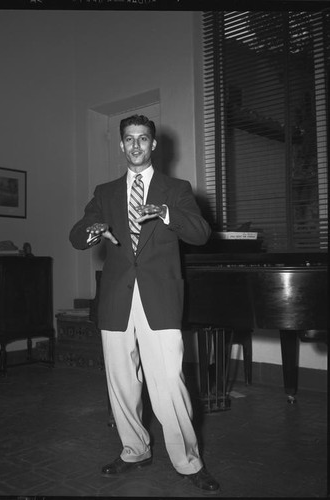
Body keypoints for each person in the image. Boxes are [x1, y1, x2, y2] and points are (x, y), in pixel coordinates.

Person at [69, 114, 220, 494]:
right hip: (117, 297)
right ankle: (134, 450)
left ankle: (188, 462)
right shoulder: (104, 192)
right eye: (129, 139)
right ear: (121, 145)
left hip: (161, 296)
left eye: (143, 139)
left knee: (169, 382)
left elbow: (201, 233)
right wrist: (92, 230)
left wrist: (167, 214)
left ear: (154, 145)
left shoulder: (176, 188)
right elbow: (77, 233)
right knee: (121, 382)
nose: (136, 145)